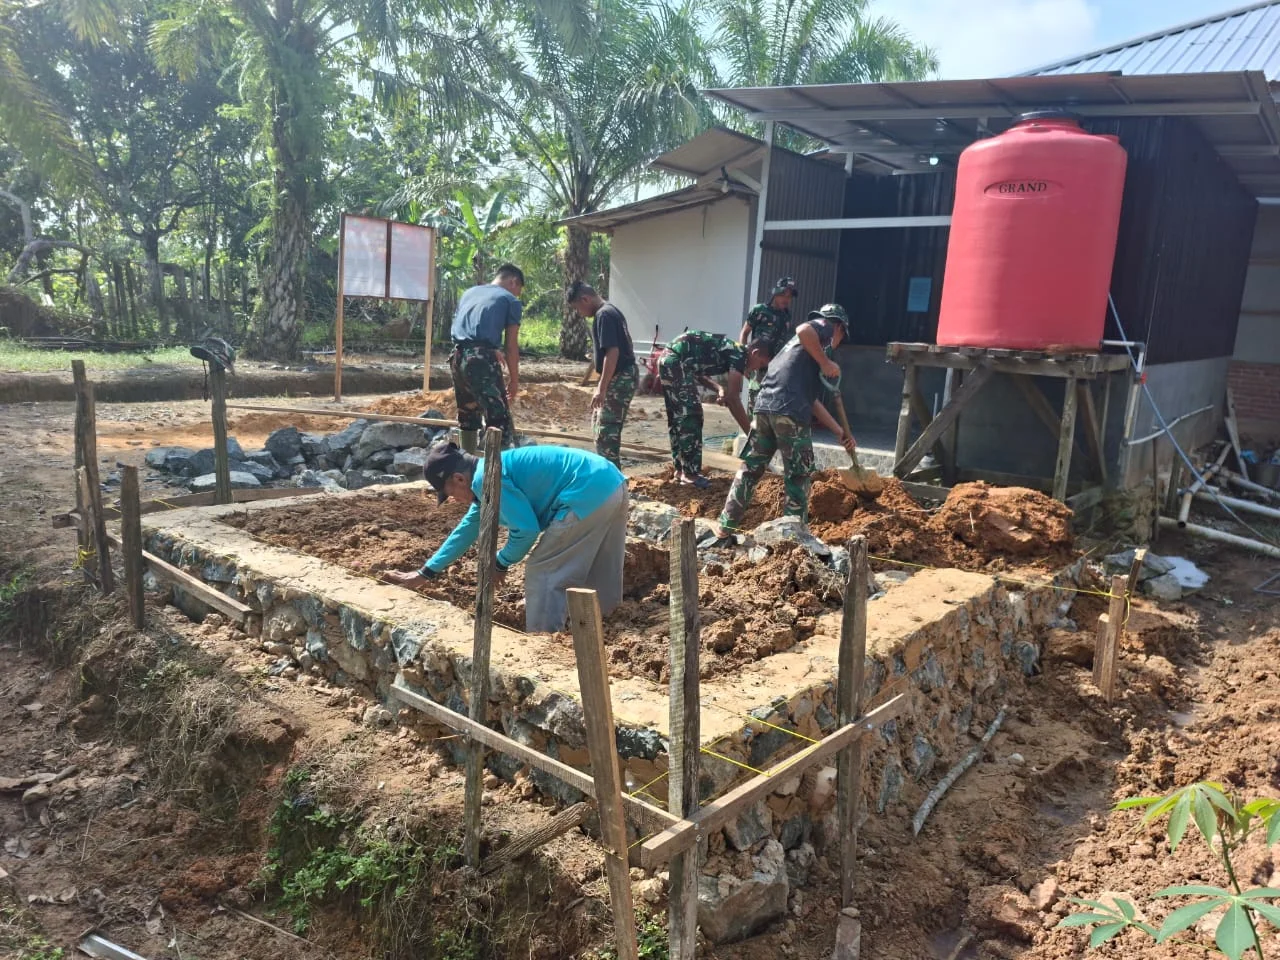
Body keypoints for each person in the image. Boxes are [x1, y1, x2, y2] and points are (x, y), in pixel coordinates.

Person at [384, 440, 629, 633]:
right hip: (610, 481)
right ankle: (610, 624)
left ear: (459, 478)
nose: (455, 500)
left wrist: (501, 562)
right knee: (601, 563)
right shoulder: (488, 474)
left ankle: (542, 639)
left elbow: (526, 530)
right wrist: (427, 572)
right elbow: (466, 530)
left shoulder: (486, 478)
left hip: (584, 490)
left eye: (450, 494)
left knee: (542, 568)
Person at [714, 303, 857, 535]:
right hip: (790, 412)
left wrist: (839, 431)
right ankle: (793, 538)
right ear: (839, 327)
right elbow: (804, 329)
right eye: (842, 336)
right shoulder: (825, 327)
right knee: (798, 476)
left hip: (764, 407)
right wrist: (825, 362)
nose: (839, 341)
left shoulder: (799, 351)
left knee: (750, 469)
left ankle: (725, 528)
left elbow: (812, 402)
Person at [657, 330, 772, 487]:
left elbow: (696, 371)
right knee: (692, 415)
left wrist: (718, 388)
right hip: (674, 360)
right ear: (755, 353)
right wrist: (752, 437)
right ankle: (690, 474)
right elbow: (733, 399)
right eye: (761, 364)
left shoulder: (732, 351)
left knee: (678, 416)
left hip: (670, 359)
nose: (756, 369)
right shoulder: (740, 355)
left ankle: (680, 470)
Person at [449, 264, 525, 453]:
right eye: (518, 291)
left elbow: (468, 328)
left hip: (457, 357)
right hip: (480, 361)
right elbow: (511, 346)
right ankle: (497, 468)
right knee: (499, 421)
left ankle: (467, 462)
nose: (517, 295)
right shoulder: (510, 300)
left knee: (468, 414)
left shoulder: (469, 293)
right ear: (514, 281)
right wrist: (514, 381)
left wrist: (490, 348)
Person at [567, 281, 637, 467]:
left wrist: (602, 388)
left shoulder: (604, 315)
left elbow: (612, 353)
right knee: (601, 427)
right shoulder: (611, 311)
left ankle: (611, 478)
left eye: (578, 308)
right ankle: (609, 474)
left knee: (607, 433)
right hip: (621, 375)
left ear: (585, 299)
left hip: (620, 377)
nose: (580, 313)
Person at [740, 276, 798, 413]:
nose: (786, 299)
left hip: (776, 365)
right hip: (758, 362)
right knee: (755, 401)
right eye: (783, 295)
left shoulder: (786, 315)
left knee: (772, 402)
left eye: (790, 297)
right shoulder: (760, 310)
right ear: (775, 293)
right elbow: (744, 333)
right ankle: (751, 426)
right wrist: (743, 359)